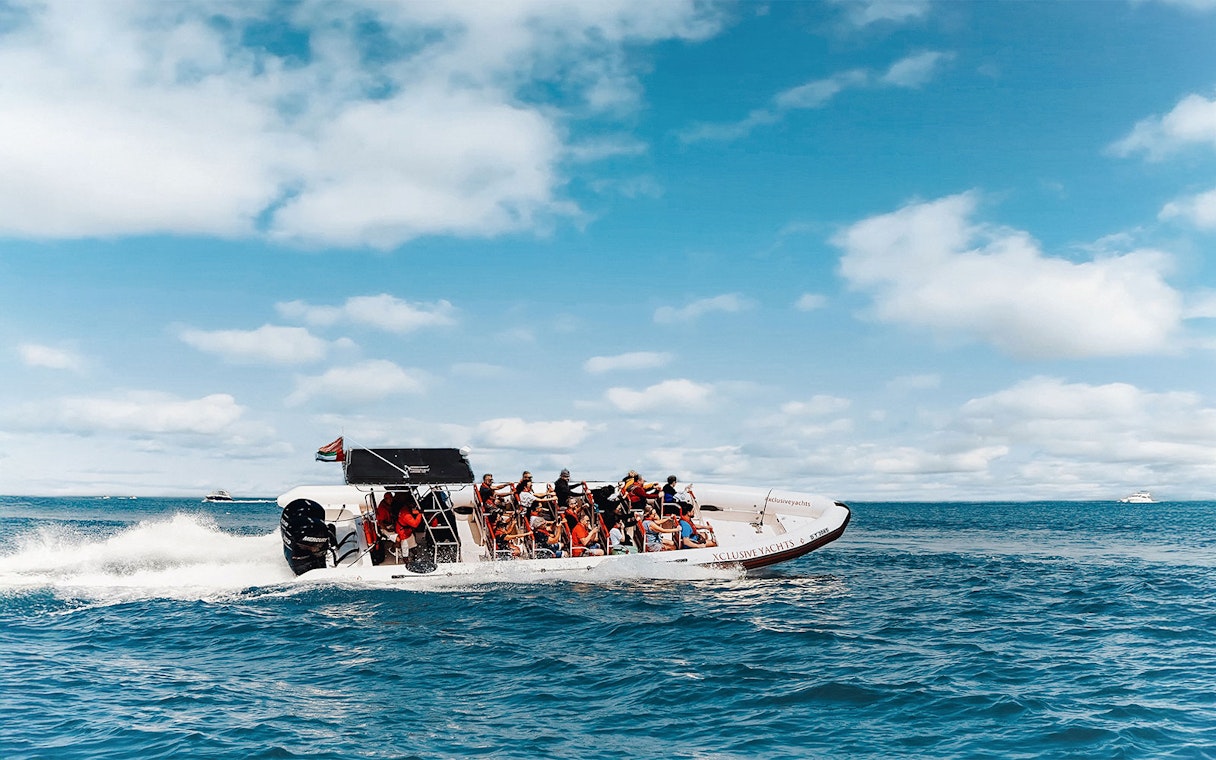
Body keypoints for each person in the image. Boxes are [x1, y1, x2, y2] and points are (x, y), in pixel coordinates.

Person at [395, 494, 425, 560]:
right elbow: (415, 524)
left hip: (407, 530)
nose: (414, 505)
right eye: (413, 503)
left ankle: (415, 557)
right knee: (405, 548)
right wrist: (420, 514)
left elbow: (411, 512)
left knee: (413, 544)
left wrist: (418, 511)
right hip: (403, 532)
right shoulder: (406, 514)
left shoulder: (405, 508)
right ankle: (406, 561)